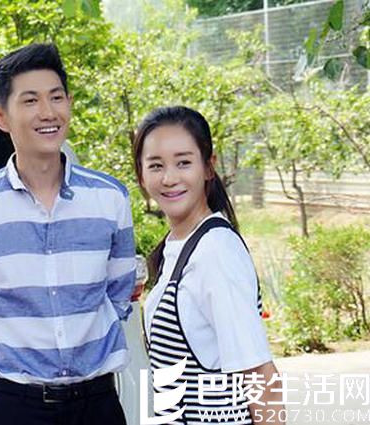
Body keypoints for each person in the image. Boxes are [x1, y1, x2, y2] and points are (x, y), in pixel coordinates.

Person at [0, 43, 136, 425]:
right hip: (9, 408)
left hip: (97, 405)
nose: (48, 112)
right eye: (30, 100)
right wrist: (12, 381)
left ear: (69, 103)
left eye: (56, 98)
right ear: (0, 116)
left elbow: (118, 296)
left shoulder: (110, 198)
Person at [133, 106, 283, 424]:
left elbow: (260, 376)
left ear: (208, 167)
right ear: (141, 175)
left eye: (183, 162)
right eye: (156, 165)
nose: (169, 178)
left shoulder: (215, 252)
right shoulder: (180, 247)